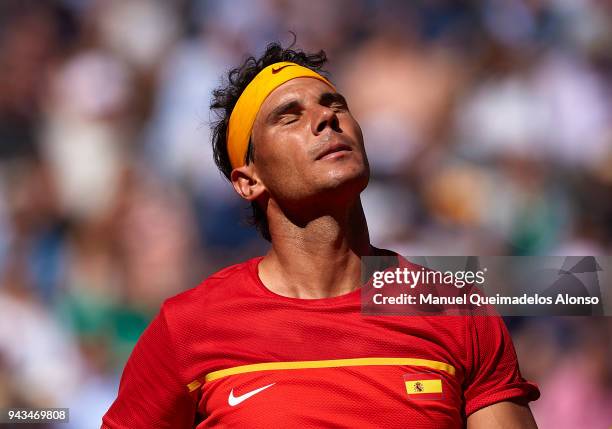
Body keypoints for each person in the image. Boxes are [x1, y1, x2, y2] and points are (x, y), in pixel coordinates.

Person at [102, 42, 540, 428]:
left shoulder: (457, 313)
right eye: (288, 117)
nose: (326, 118)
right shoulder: (187, 328)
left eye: (335, 104)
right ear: (248, 180)